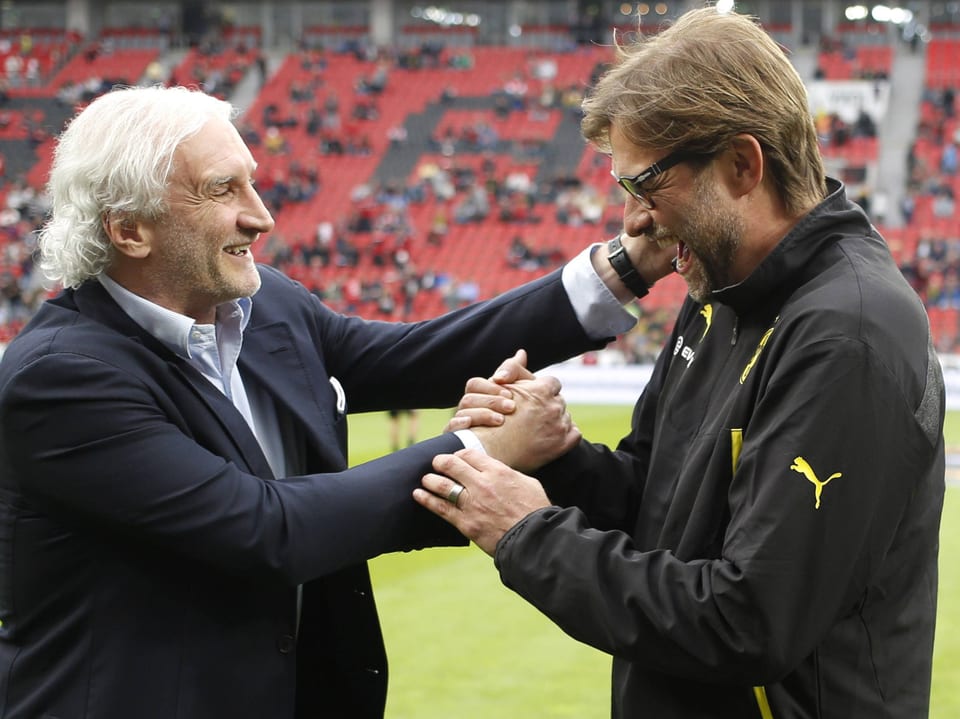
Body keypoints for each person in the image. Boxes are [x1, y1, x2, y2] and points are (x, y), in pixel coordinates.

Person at [0, 85, 656, 718]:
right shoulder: (63, 378)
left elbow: (423, 358)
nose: (261, 215)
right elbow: (265, 529)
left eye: (251, 181)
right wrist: (479, 451)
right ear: (130, 230)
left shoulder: (266, 304)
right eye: (222, 190)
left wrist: (625, 267)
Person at [414, 9, 946, 719]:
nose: (634, 219)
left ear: (741, 165)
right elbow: (658, 510)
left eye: (646, 185)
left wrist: (526, 532)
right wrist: (561, 458)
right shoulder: (719, 285)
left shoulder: (848, 334)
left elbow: (747, 622)